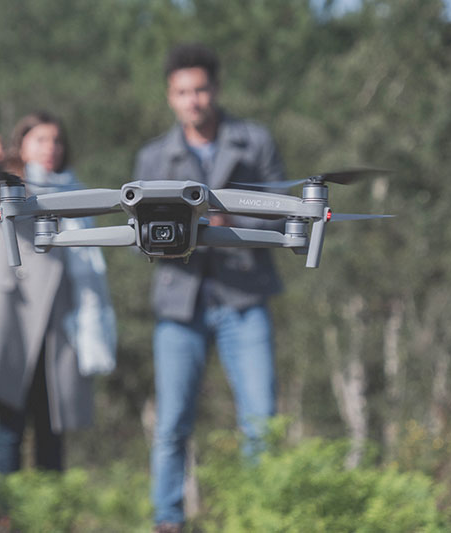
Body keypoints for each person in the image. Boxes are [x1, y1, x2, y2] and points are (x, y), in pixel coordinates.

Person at [132, 43, 286, 532]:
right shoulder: (153, 156)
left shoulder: (255, 142)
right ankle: (167, 520)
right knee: (173, 424)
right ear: (170, 96)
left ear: (215, 90)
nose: (193, 100)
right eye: (183, 92)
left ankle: (259, 516)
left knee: (262, 422)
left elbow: (283, 212)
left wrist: (228, 217)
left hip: (245, 298)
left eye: (200, 90)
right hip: (181, 302)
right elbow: (141, 239)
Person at [0, 111, 116, 474]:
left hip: (59, 325)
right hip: (13, 318)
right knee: (10, 428)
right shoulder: (9, 186)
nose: (51, 148)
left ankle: (49, 516)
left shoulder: (75, 192)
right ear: (22, 145)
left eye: (57, 140)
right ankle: (8, 518)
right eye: (41, 140)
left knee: (51, 431)